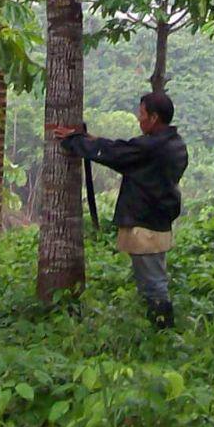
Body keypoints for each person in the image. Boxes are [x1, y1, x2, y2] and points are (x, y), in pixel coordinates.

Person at [47, 91, 187, 328]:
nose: (138, 118)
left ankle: (163, 332)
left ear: (153, 118)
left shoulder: (151, 148)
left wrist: (75, 141)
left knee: (153, 284)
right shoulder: (174, 144)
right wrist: (88, 139)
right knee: (153, 280)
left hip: (146, 224)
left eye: (141, 114)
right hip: (158, 222)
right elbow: (124, 150)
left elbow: (117, 153)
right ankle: (160, 331)